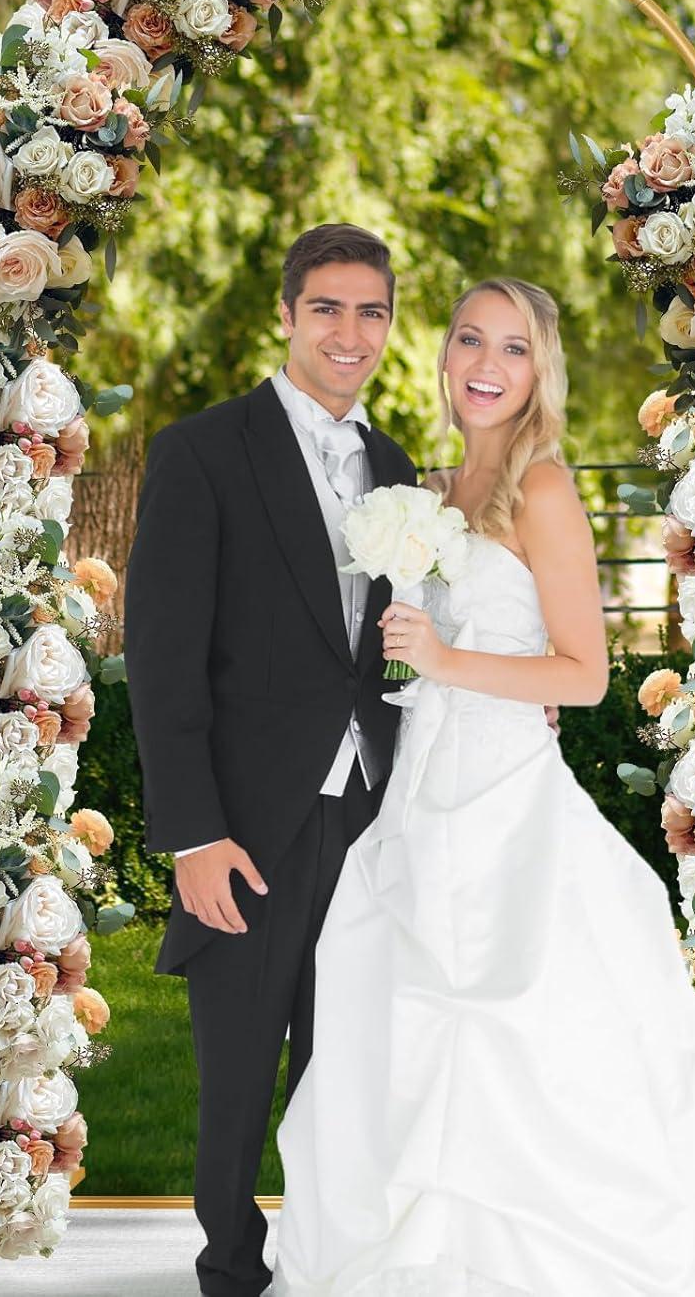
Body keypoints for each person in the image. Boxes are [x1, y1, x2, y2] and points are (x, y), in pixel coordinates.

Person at [272, 277, 695, 1296]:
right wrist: (400, 666)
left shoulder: (544, 487)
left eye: (513, 348)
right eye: (471, 340)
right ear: (444, 357)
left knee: (507, 1026)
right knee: (388, 1015)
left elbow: (586, 675)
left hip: (508, 800)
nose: (486, 364)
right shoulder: (430, 491)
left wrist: (443, 663)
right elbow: (413, 656)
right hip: (423, 791)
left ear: (539, 371)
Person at [124, 224, 418, 1297]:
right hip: (246, 821)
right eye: (329, 310)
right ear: (288, 316)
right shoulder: (204, 450)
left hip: (370, 810)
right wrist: (194, 834)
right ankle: (231, 1269)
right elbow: (161, 661)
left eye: (372, 311)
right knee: (241, 1070)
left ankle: (333, 1258)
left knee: (345, 1065)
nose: (352, 333)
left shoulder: (395, 467)